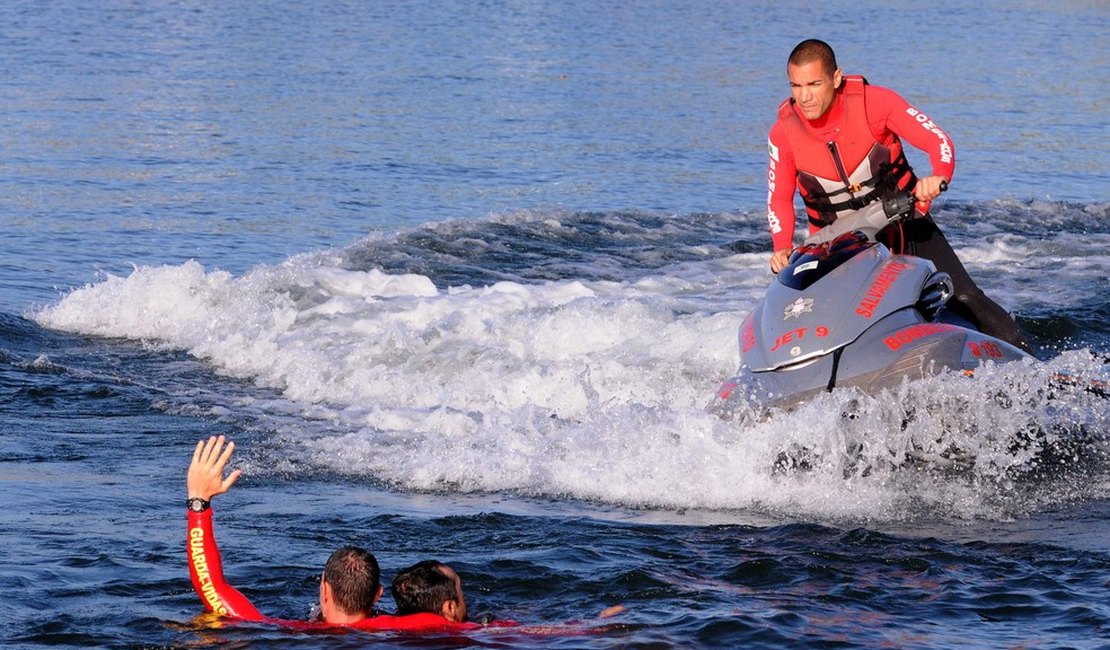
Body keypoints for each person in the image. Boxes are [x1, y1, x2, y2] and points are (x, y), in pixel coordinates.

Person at [765, 38, 1032, 354]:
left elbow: (938, 140)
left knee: (963, 297)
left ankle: (1029, 363)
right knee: (819, 321)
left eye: (813, 83)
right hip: (839, 248)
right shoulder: (783, 133)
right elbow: (778, 198)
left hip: (906, 225)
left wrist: (938, 176)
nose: (804, 96)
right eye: (796, 85)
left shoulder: (875, 103)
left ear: (836, 78)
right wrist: (781, 246)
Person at [185, 435, 483, 632]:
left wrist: (199, 502)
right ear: (378, 596)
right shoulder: (422, 625)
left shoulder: (289, 631)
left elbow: (212, 588)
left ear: (324, 589)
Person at [391, 560, 468, 623]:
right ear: (450, 608)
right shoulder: (475, 634)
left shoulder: (385, 631)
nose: (464, 596)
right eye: (460, 588)